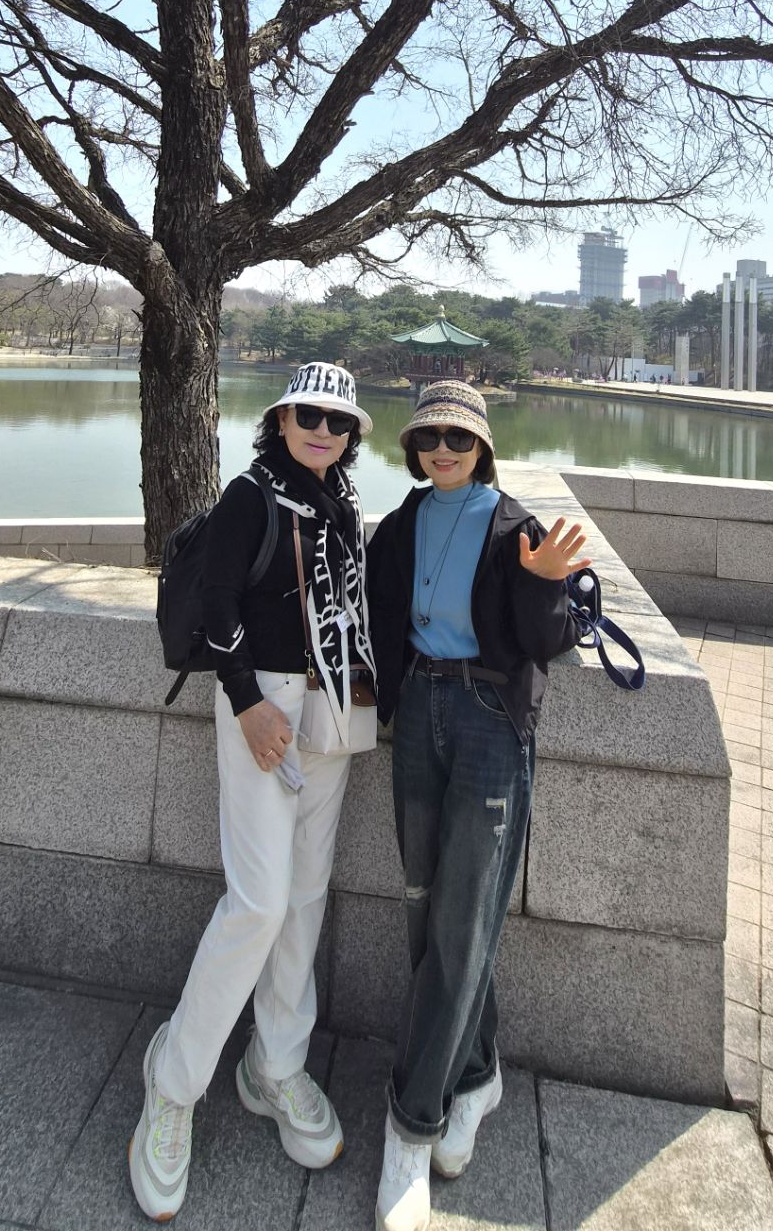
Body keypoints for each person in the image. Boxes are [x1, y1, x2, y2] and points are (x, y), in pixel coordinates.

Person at [129, 362, 376, 1221]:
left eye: (339, 421)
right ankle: (173, 1080)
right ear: (281, 418)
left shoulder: (342, 502)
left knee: (305, 895)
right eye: (309, 415)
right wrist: (247, 703)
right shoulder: (252, 492)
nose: (323, 430)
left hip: (332, 704)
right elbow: (218, 600)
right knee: (260, 900)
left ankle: (275, 1064)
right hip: (263, 703)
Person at [367, 381, 590, 1231]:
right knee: (428, 906)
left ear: (482, 445)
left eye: (458, 438)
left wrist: (545, 583)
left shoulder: (514, 525)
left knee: (461, 915)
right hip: (419, 709)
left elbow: (548, 640)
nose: (442, 451)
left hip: (490, 718)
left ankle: (410, 1126)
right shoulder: (402, 523)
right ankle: (478, 1070)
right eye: (429, 438)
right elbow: (376, 610)